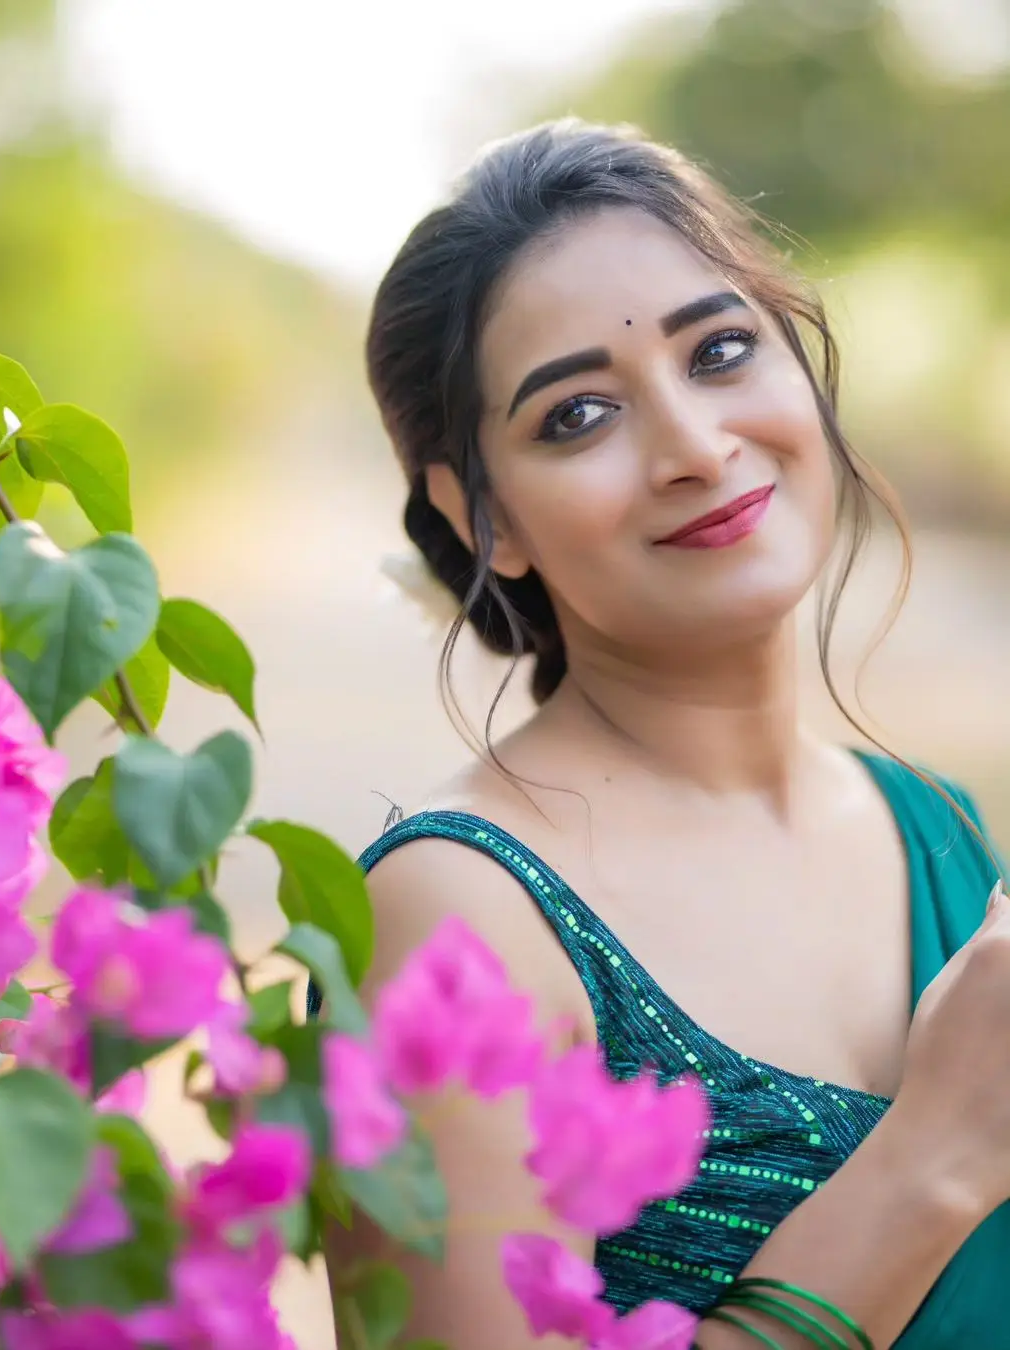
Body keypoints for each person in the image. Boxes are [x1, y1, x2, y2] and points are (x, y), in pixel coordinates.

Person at [326, 120, 1007, 1348]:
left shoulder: (939, 826)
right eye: (579, 415)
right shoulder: (459, 925)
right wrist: (935, 1161)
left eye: (724, 350)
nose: (696, 448)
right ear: (483, 518)